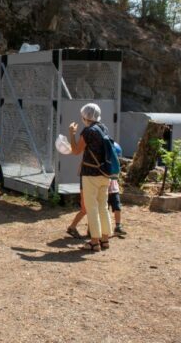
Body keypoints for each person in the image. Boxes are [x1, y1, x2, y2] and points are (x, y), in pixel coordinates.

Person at [69, 103, 113, 252]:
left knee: (92, 207)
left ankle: (94, 242)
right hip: (105, 173)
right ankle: (105, 240)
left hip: (90, 174)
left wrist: (72, 133)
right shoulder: (103, 128)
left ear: (85, 116)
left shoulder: (88, 131)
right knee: (103, 206)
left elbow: (75, 151)